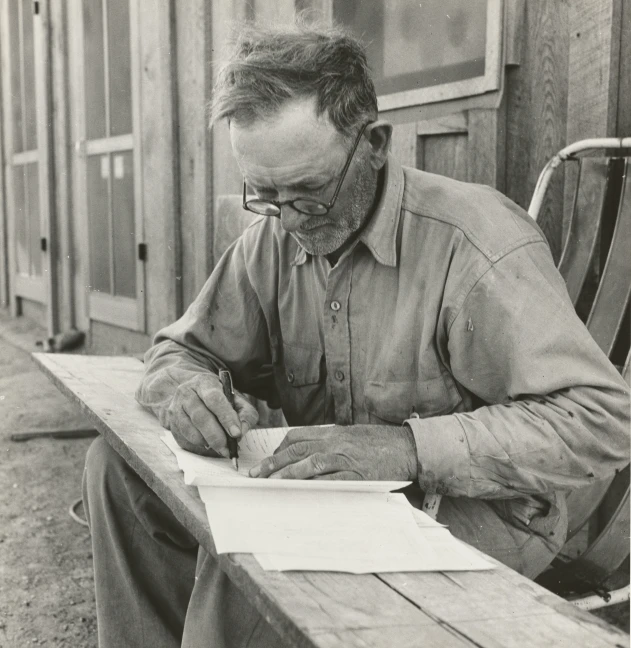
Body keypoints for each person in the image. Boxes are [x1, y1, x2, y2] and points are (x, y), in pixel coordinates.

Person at [82, 23, 630, 648]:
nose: (287, 219)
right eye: (263, 194)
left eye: (309, 192)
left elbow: (602, 420)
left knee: (256, 571)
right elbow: (180, 350)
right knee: (117, 476)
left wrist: (406, 450)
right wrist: (184, 389)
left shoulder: (476, 244)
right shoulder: (273, 236)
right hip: (330, 495)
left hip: (481, 512)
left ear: (373, 144)